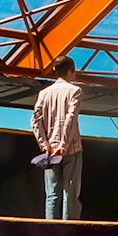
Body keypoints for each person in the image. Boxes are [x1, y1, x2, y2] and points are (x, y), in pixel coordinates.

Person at [31, 54, 85, 221]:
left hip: (50, 153)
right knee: (70, 194)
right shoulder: (75, 91)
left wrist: (44, 144)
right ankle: (69, 234)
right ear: (71, 71)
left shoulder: (44, 93)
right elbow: (70, 118)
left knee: (52, 195)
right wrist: (64, 144)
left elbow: (35, 119)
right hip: (71, 148)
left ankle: (50, 235)